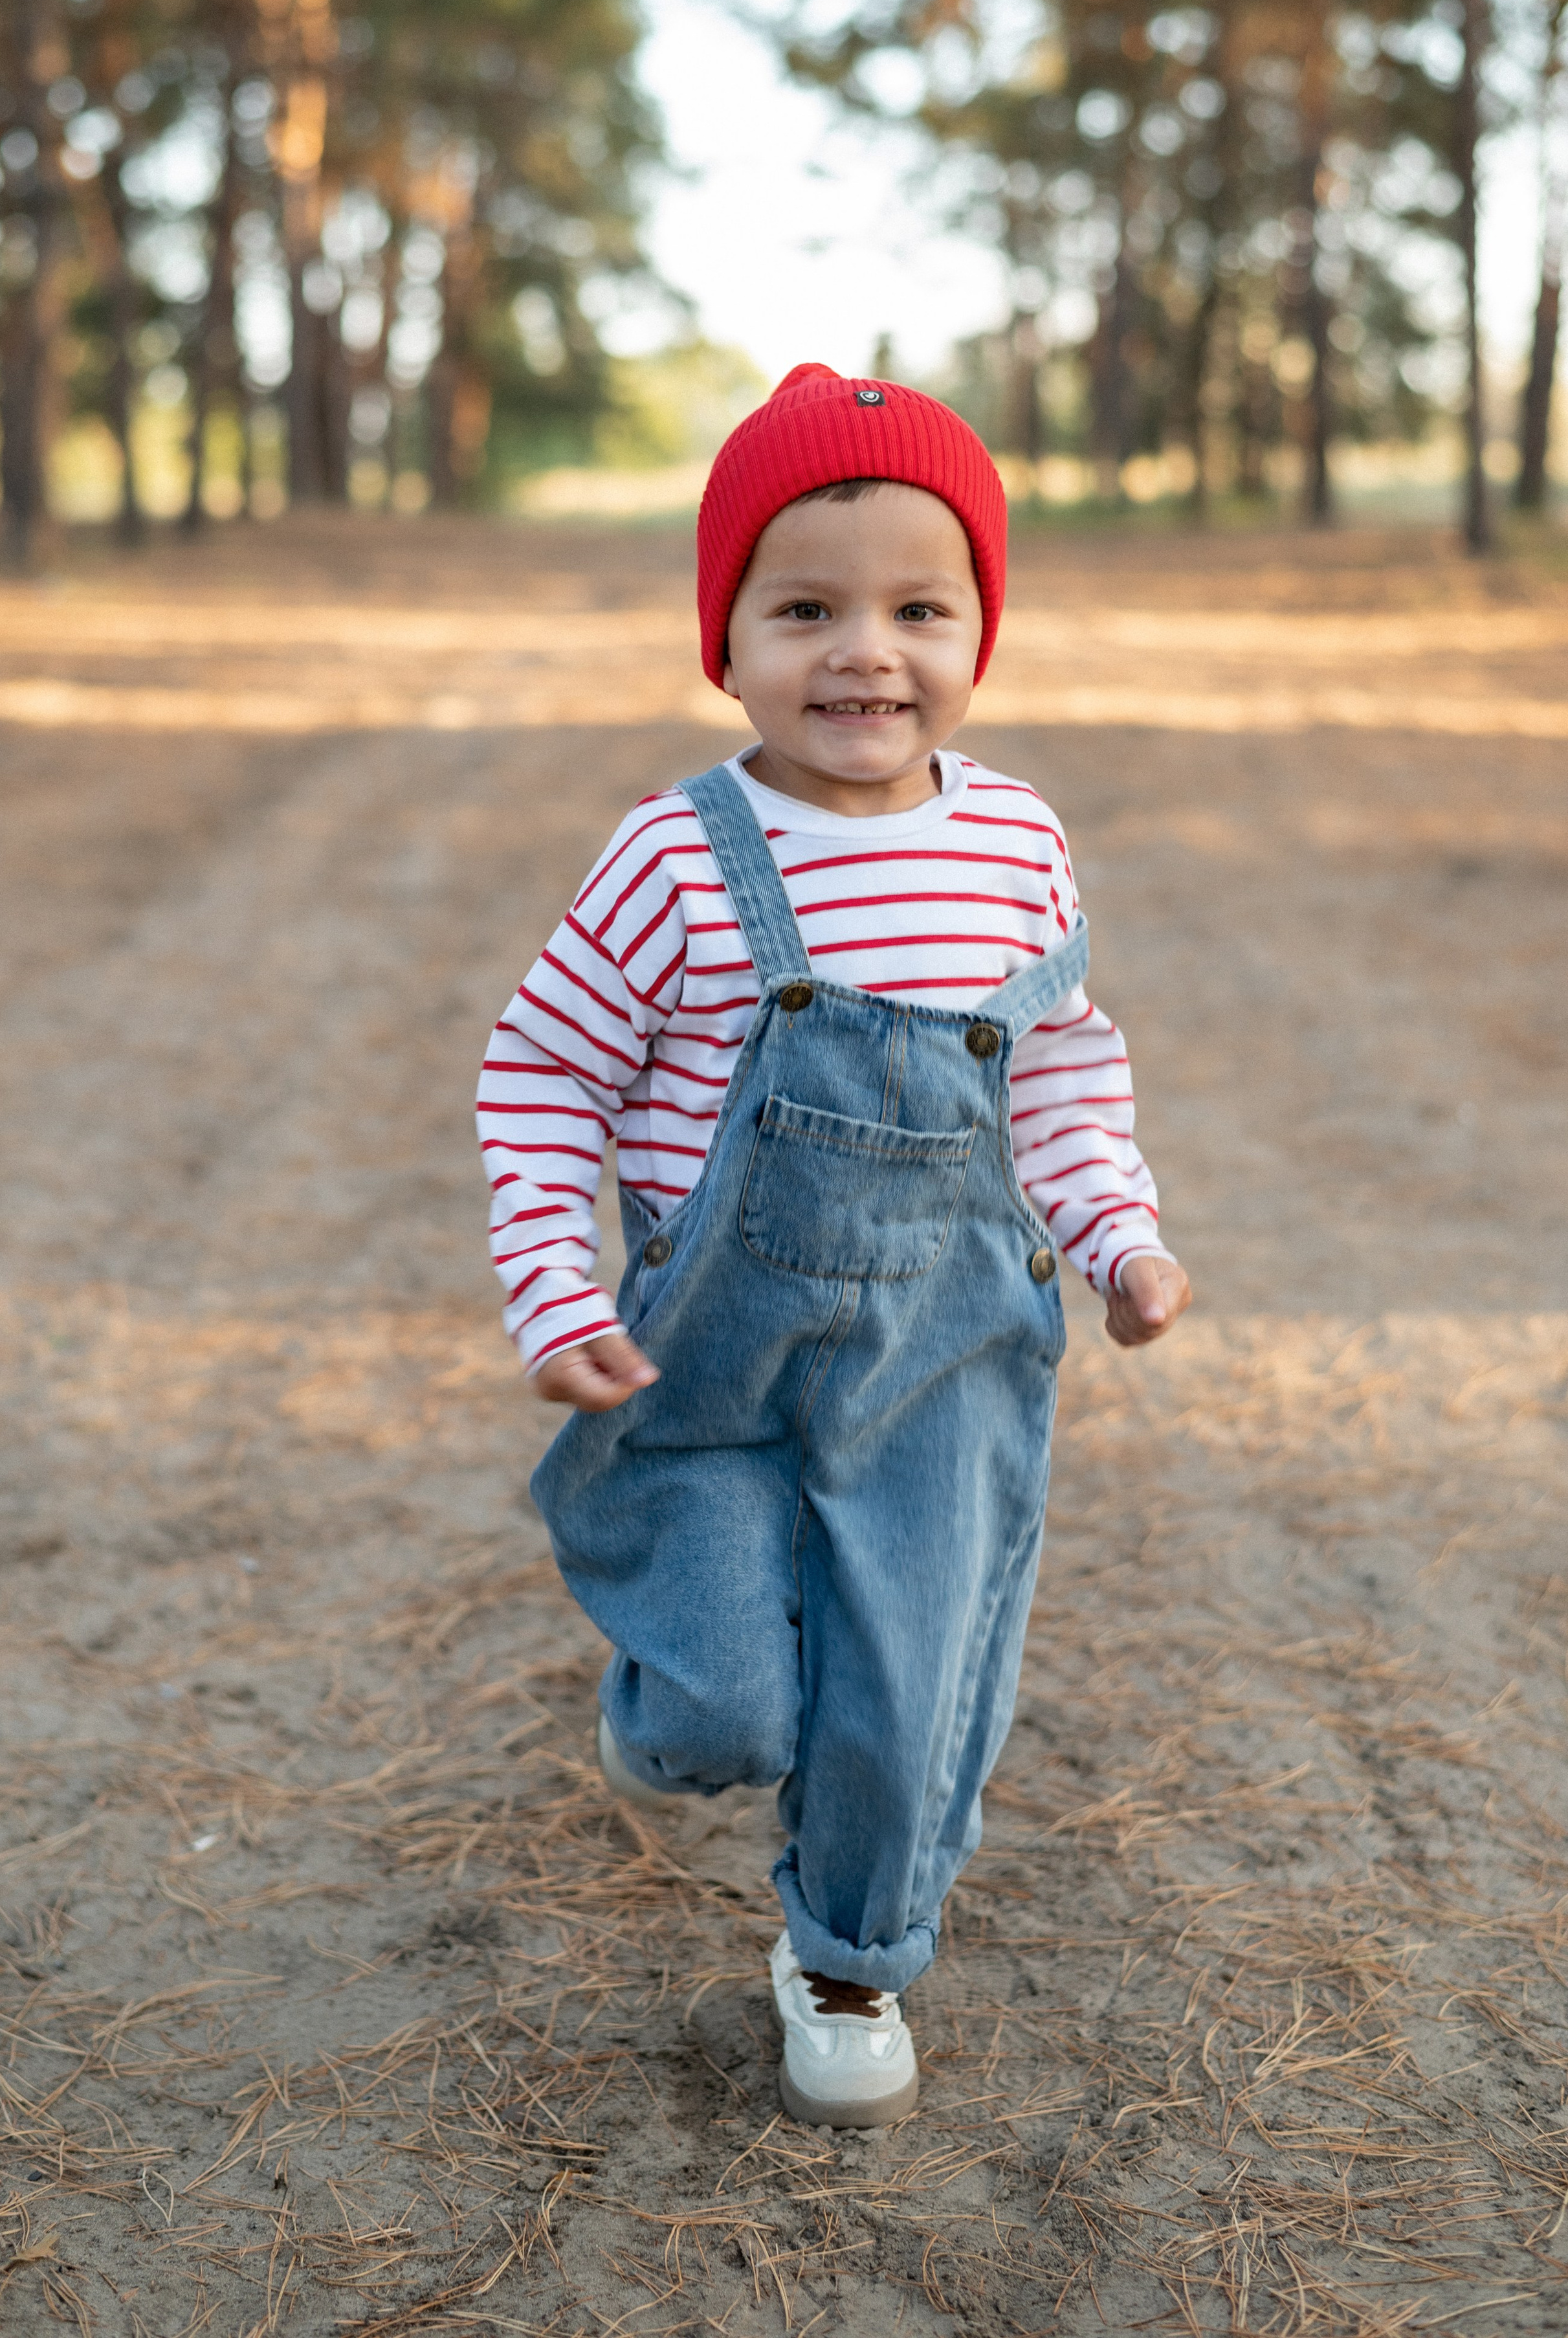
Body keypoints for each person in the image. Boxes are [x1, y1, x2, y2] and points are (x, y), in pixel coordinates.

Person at [476, 363, 1191, 2128]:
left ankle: (851, 1949)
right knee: (723, 1711)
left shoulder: (1015, 841)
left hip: (946, 1339)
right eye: (806, 607)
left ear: (980, 632)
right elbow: (544, 1066)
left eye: (917, 607)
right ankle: (683, 1703)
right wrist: (557, 1281)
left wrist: (1117, 1231)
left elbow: (1061, 1068)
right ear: (726, 640)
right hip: (712, 1343)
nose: (865, 652)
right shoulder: (678, 854)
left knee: (915, 1664)